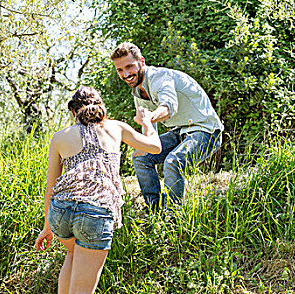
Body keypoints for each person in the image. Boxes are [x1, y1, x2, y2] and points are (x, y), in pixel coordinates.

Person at [34, 86, 161, 294]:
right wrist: (147, 123)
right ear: (100, 107)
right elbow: (155, 147)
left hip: (61, 212)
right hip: (95, 212)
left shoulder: (59, 137)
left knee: (73, 255)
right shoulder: (117, 127)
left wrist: (47, 226)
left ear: (73, 112)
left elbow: (51, 187)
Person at [111, 42, 223, 211]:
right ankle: (155, 210)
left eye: (129, 66)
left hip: (206, 131)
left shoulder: (159, 78)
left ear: (141, 62)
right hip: (180, 133)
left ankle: (173, 215)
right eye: (120, 70)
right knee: (140, 157)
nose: (126, 74)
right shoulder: (138, 92)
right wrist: (143, 145)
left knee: (173, 161)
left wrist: (149, 117)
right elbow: (150, 135)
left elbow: (169, 106)